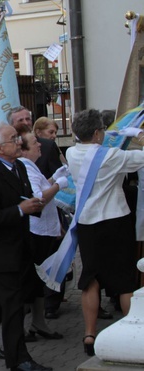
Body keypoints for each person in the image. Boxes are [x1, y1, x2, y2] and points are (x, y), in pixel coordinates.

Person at [0, 123, 52, 371]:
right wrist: (20, 210)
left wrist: (32, 206)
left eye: (17, 137)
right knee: (14, 304)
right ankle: (19, 360)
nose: (18, 141)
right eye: (13, 138)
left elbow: (22, 197)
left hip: (18, 246)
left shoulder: (18, 167)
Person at [64, 109, 144, 357]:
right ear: (98, 132)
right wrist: (138, 134)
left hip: (87, 222)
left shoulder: (70, 152)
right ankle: (132, 334)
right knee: (124, 281)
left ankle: (89, 334)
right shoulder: (112, 156)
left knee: (91, 279)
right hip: (115, 221)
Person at [17, 129, 67, 341]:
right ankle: (25, 326)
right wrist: (58, 185)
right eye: (34, 142)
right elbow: (38, 199)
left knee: (39, 281)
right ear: (25, 150)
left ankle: (38, 323)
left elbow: (39, 185)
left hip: (44, 230)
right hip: (36, 232)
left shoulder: (31, 166)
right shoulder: (26, 167)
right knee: (32, 280)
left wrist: (53, 177)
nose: (40, 145)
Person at [8, 107, 61, 179]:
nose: (26, 123)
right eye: (20, 120)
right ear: (11, 125)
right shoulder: (7, 149)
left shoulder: (47, 146)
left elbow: (59, 175)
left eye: (27, 119)